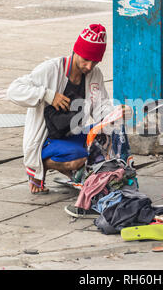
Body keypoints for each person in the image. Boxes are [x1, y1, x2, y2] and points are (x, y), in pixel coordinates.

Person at [7, 23, 116, 195]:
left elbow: (101, 107)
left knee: (110, 140)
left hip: (73, 132)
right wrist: (47, 95)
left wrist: (116, 115)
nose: (89, 66)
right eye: (85, 59)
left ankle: (78, 174)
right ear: (76, 51)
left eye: (94, 61)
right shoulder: (50, 69)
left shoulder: (95, 74)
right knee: (80, 158)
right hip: (47, 139)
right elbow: (13, 90)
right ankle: (39, 165)